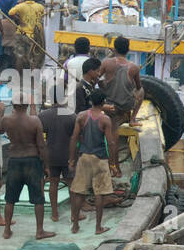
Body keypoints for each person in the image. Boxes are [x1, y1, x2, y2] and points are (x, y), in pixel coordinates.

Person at [0, 96, 55, 240]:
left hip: (14, 161)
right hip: (32, 161)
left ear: (13, 105)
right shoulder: (34, 121)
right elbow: (41, 146)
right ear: (27, 105)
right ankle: (39, 231)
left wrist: (1, 112)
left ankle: (6, 230)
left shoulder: (6, 120)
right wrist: (46, 166)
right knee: (38, 198)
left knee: (10, 198)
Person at [69, 90, 116, 235]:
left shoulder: (82, 116)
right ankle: (98, 227)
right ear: (103, 103)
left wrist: (71, 159)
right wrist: (113, 164)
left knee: (78, 192)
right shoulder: (105, 120)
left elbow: (74, 138)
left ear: (91, 102)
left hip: (84, 157)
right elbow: (111, 143)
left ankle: (75, 226)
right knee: (99, 194)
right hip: (100, 159)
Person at [98, 36, 143, 176]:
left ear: (114, 49)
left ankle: (114, 166)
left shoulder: (106, 63)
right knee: (142, 91)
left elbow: (98, 79)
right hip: (125, 106)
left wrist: (104, 87)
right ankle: (133, 118)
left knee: (113, 137)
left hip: (109, 105)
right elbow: (138, 87)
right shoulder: (133, 67)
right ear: (128, 49)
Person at [40, 101, 76, 222]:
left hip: (51, 154)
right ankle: (74, 214)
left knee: (53, 183)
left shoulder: (44, 115)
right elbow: (75, 136)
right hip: (67, 154)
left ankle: (55, 214)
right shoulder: (71, 114)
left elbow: (40, 136)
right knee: (71, 184)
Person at [9, 0, 46, 72]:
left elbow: (10, 13)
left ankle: (18, 77)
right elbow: (43, 14)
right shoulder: (40, 6)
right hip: (33, 36)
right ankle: (32, 80)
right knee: (33, 57)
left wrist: (19, 20)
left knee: (19, 56)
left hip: (21, 33)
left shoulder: (20, 6)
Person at [64, 37, 91, 112]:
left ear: (75, 49)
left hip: (70, 101)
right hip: (88, 102)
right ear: (89, 48)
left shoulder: (68, 63)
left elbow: (62, 82)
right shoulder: (94, 63)